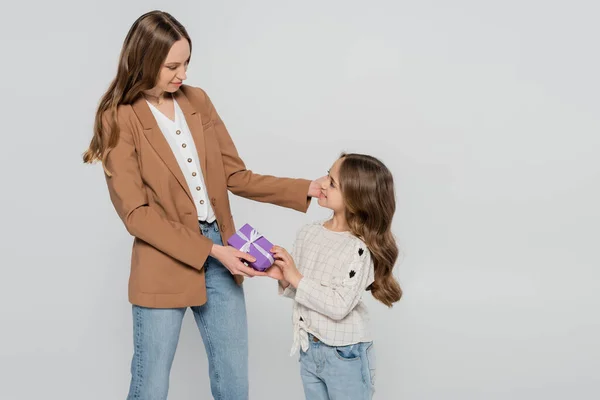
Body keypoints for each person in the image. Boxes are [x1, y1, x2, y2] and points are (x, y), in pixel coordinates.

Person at [82, 10, 324, 400]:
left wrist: (306, 189)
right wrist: (212, 251)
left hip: (222, 249)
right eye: (172, 66)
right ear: (143, 60)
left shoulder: (198, 101)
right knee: (150, 386)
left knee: (234, 384)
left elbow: (235, 176)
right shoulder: (118, 118)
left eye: (187, 62)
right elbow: (136, 215)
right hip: (164, 260)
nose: (183, 74)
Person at [268, 153, 402, 399]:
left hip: (344, 353)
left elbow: (339, 305)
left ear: (355, 197)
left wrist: (297, 278)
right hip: (309, 348)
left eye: (332, 183)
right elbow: (302, 291)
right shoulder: (308, 232)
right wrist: (283, 276)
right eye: (327, 174)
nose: (322, 184)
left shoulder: (359, 248)